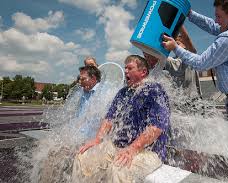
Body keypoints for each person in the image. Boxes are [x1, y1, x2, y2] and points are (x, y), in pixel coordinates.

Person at [162, 0, 228, 123]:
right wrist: (190, 14)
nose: (216, 20)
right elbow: (213, 26)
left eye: (218, 16)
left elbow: (201, 63)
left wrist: (175, 48)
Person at [72, 55, 170, 183]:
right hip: (119, 147)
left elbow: (156, 127)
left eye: (130, 68)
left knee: (118, 169)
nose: (125, 71)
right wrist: (97, 139)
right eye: (125, 68)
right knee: (83, 157)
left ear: (143, 72)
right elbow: (109, 119)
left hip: (148, 151)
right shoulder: (122, 93)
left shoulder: (155, 90)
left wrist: (133, 148)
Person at [39, 65, 101, 183]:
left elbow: (98, 124)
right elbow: (78, 118)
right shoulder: (84, 93)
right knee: (50, 151)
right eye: (79, 78)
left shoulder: (103, 93)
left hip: (89, 140)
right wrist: (68, 135)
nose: (79, 82)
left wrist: (77, 140)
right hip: (78, 136)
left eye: (83, 79)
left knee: (57, 155)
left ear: (93, 78)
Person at [143, 26, 201, 96]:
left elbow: (190, 47)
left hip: (193, 102)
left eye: (178, 43)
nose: (173, 45)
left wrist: (180, 24)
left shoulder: (189, 59)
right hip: (185, 103)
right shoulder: (172, 61)